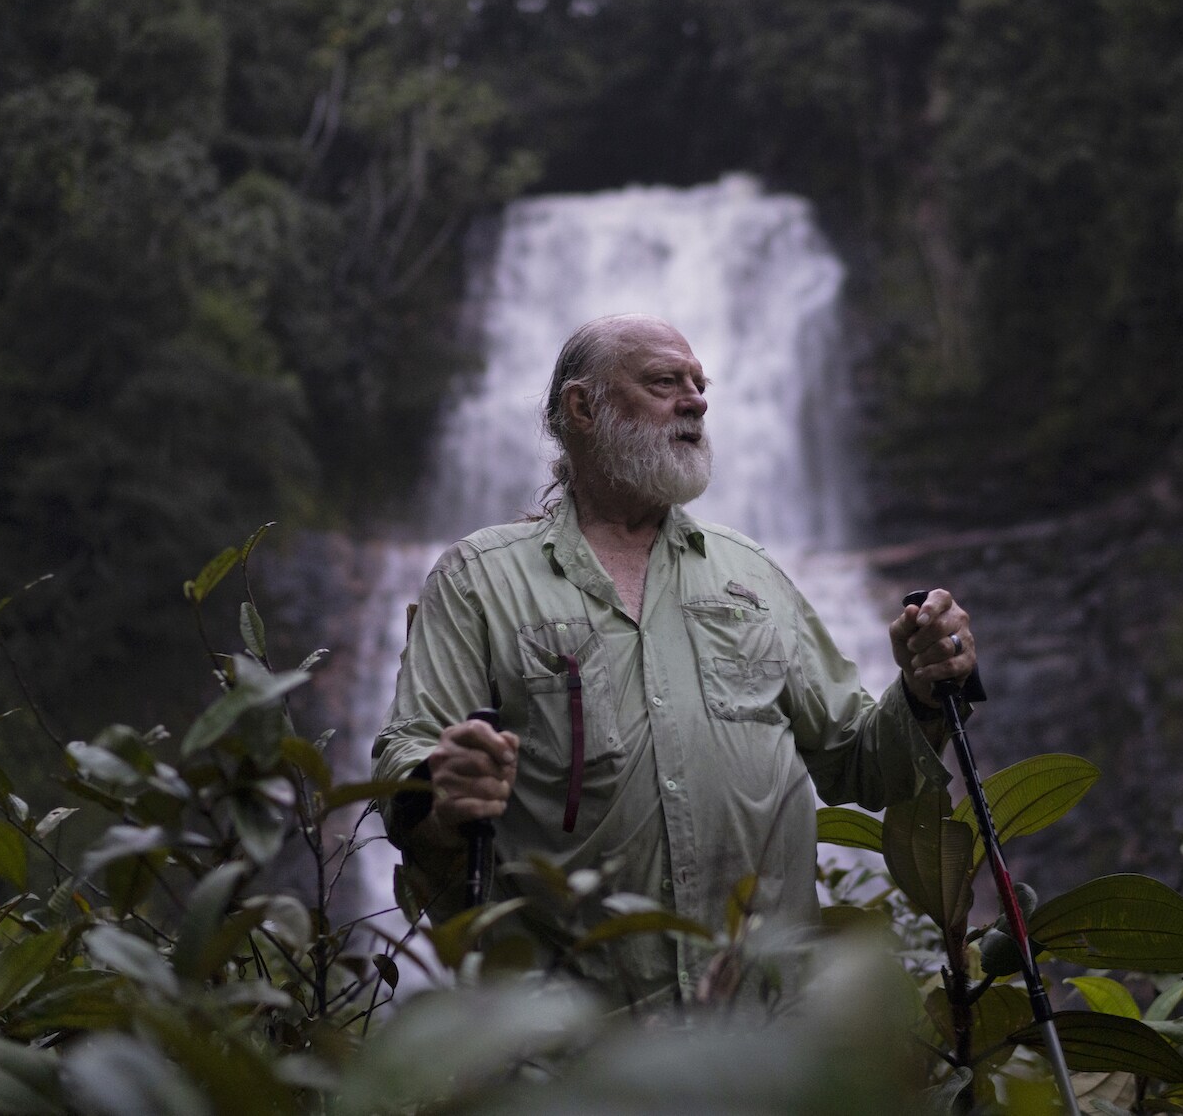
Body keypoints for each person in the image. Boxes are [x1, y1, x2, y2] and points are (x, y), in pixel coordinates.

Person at [371, 313, 979, 1001]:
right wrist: (440, 791)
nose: (696, 399)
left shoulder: (750, 572)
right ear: (583, 407)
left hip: (768, 1036)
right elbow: (407, 754)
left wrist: (925, 686)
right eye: (665, 382)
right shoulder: (478, 579)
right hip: (573, 1039)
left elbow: (860, 759)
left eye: (699, 383)